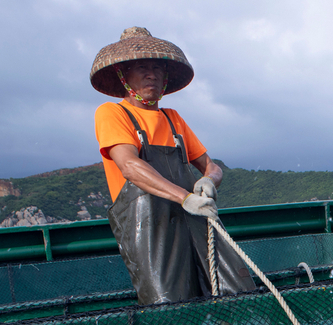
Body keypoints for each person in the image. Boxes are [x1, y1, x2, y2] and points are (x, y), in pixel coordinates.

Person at [91, 27, 253, 304]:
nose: (151, 74)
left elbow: (211, 166)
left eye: (157, 68)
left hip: (196, 222)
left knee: (239, 291)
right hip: (153, 233)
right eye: (142, 67)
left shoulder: (173, 118)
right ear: (123, 75)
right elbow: (129, 166)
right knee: (169, 305)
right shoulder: (112, 113)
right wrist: (185, 197)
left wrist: (208, 182)